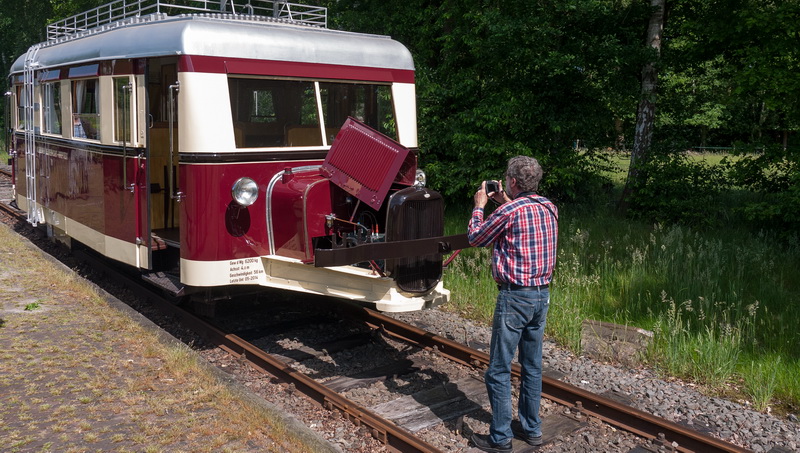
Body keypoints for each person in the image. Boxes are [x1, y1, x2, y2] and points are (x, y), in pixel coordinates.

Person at [467, 155, 558, 452]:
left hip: (514, 296)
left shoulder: (510, 212)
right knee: (531, 366)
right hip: (541, 295)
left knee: (499, 368)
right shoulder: (549, 207)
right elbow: (520, 212)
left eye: (507, 179)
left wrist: (480, 206)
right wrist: (505, 200)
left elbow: (476, 238)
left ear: (513, 181)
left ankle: (501, 437)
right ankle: (532, 429)